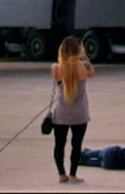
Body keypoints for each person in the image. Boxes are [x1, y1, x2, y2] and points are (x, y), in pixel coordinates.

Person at [50, 35, 94, 184]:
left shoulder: (56, 68)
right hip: (79, 112)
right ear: (77, 50)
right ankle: (73, 174)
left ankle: (62, 174)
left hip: (61, 111)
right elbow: (92, 72)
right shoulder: (82, 68)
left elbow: (60, 67)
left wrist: (60, 54)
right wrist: (84, 56)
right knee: (76, 145)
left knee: (59, 144)